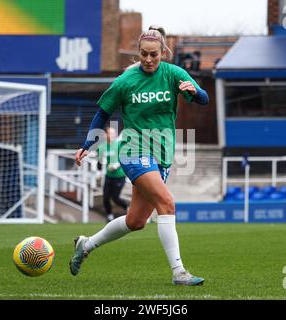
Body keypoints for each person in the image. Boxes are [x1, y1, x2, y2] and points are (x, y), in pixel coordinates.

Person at [69, 27, 209, 286]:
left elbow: (204, 99)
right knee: (166, 203)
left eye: (154, 54)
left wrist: (194, 92)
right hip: (134, 151)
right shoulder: (125, 80)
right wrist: (88, 144)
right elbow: (102, 113)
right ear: (138, 52)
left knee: (136, 221)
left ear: (163, 53)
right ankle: (179, 273)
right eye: (144, 54)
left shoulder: (173, 74)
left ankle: (86, 245)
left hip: (161, 154)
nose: (148, 59)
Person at [97, 126, 128, 222]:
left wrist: (117, 165)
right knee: (105, 198)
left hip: (120, 176)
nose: (112, 135)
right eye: (110, 133)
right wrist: (98, 172)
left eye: (114, 133)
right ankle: (110, 216)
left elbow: (125, 157)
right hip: (109, 176)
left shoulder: (118, 144)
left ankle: (129, 209)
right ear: (105, 134)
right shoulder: (101, 147)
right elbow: (99, 162)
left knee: (115, 197)